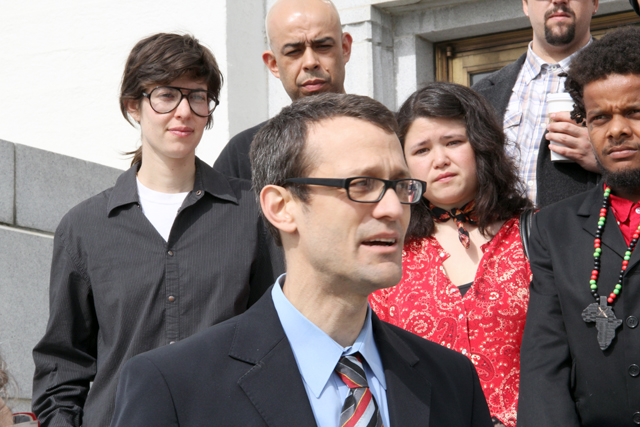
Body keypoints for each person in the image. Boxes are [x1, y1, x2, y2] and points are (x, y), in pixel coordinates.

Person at [110, 93, 493, 427]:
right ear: (281, 207)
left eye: (400, 186)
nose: (393, 208)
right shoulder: (175, 386)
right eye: (362, 185)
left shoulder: (452, 380)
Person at [32, 33, 282, 427]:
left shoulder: (252, 213)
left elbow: (275, 336)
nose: (184, 111)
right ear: (134, 105)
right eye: (166, 95)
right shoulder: (83, 227)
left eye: (197, 96)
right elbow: (63, 364)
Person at [368, 82, 532, 427]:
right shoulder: (389, 252)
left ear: (482, 146)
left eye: (454, 142)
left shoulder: (534, 236)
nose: (440, 160)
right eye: (422, 150)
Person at [518, 27, 640, 426]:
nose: (616, 129)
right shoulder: (554, 228)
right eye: (600, 117)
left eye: (634, 112)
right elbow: (544, 363)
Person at [473, 0, 600, 208]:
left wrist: (607, 157)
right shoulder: (481, 94)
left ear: (595, 3)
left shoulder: (627, 81)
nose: (559, 0)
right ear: (525, 5)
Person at [213, 0, 352, 179]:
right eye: (294, 51)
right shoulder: (242, 155)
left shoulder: (391, 135)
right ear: (273, 64)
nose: (310, 62)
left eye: (323, 46)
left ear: (345, 48)